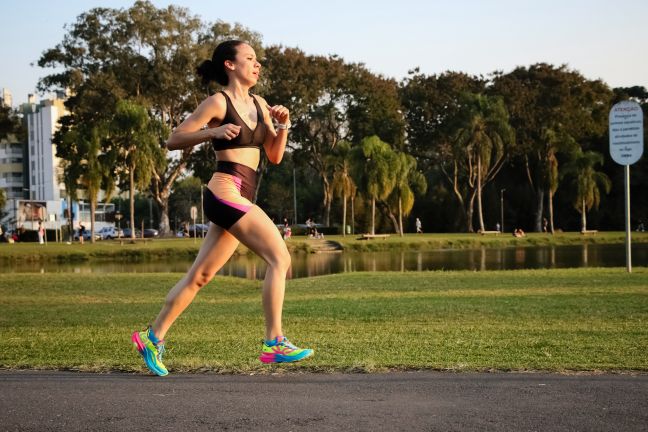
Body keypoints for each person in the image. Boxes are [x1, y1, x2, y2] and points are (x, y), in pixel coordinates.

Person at [131, 40, 313, 376]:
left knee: (200, 276)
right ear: (230, 65)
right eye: (249, 59)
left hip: (244, 194)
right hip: (225, 190)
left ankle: (151, 337)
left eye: (258, 60)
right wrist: (211, 131)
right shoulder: (218, 101)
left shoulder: (260, 103)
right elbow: (174, 139)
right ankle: (274, 342)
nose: (257, 64)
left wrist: (284, 125)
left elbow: (273, 156)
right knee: (280, 257)